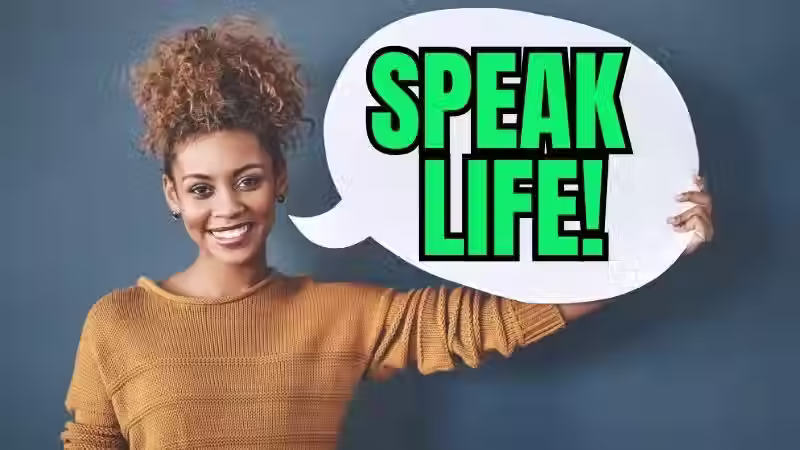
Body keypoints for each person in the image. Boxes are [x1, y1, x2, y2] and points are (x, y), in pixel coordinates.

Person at [61, 15, 714, 450]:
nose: (228, 207)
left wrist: (651, 245)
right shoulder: (117, 323)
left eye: (248, 179)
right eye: (201, 188)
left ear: (279, 178)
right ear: (173, 195)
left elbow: (490, 323)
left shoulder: (341, 315)